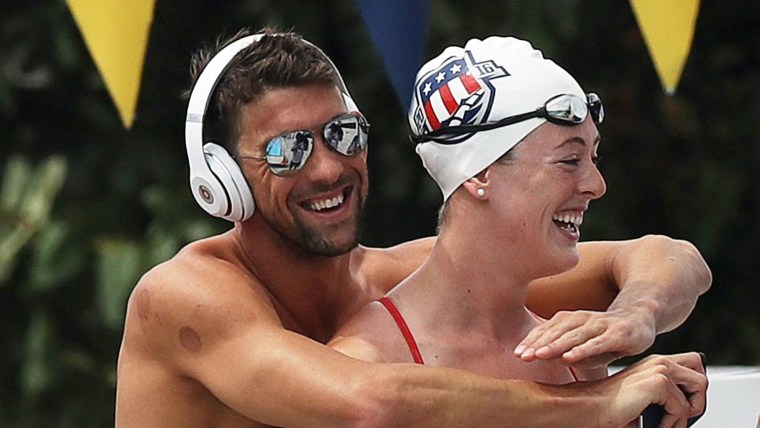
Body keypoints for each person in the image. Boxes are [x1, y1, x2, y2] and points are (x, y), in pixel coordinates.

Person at [115, 27, 711, 427]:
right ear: (221, 180)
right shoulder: (184, 296)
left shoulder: (396, 279)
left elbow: (664, 258)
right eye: (287, 151)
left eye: (343, 134)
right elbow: (370, 402)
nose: (328, 167)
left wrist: (635, 316)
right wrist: (595, 403)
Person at [329, 35, 706, 427]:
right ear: (479, 173)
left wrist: (635, 316)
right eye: (569, 160)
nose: (596, 184)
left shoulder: (571, 354)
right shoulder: (365, 364)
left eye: (592, 157)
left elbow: (677, 259)